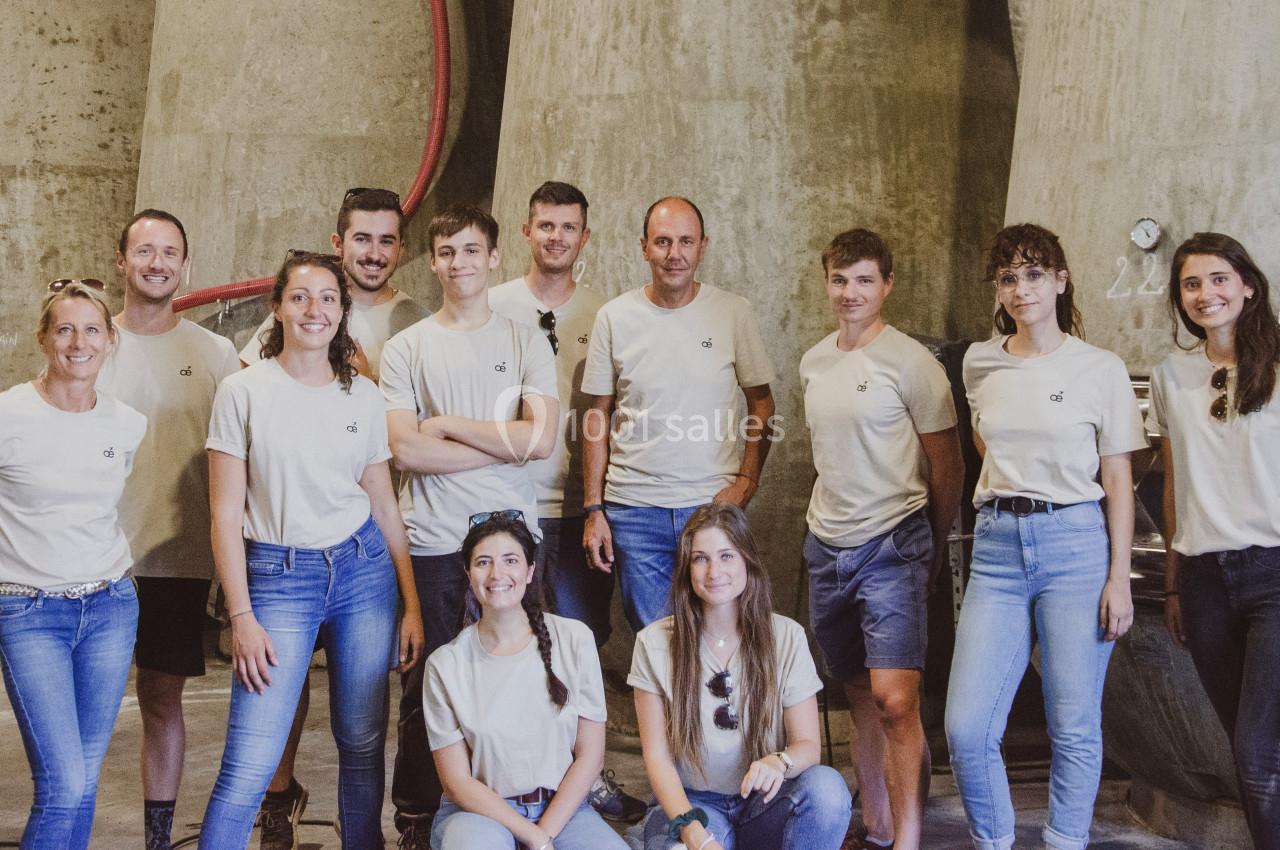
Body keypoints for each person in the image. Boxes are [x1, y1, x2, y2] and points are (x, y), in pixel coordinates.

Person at [198, 252, 424, 849]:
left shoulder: (363, 399)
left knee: (361, 740)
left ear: (342, 311)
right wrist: (241, 615)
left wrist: (412, 603)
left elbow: (382, 502)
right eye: (300, 297)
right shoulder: (243, 392)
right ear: (277, 306)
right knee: (251, 754)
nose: (314, 309)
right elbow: (223, 514)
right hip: (277, 576)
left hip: (362, 573)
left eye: (328, 297)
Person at [945, 223, 1146, 850]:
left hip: (1076, 546)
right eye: (1008, 276)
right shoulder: (980, 363)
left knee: (1073, 726)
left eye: (1034, 273)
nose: (1021, 288)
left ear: (1060, 280)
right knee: (967, 727)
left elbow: (1118, 477)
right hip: (999, 547)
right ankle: (994, 842)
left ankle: (1065, 843)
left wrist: (1120, 576)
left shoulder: (1099, 368)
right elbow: (988, 444)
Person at [380, 203, 559, 848]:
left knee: (523, 671)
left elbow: (542, 439)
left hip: (509, 541)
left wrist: (450, 423)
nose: (460, 263)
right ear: (433, 261)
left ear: (493, 258)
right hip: (433, 541)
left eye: (472, 250)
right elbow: (404, 451)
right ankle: (417, 816)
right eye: (448, 251)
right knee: (427, 682)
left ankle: (516, 804)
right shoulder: (408, 346)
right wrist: (503, 441)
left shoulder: (524, 338)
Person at [799, 229, 963, 850]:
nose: (850, 292)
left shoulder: (914, 364)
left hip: (893, 544)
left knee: (897, 701)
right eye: (840, 280)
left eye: (864, 279)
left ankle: (907, 842)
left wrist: (928, 541)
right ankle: (875, 826)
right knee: (858, 695)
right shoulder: (814, 361)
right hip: (826, 544)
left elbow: (947, 467)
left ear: (886, 285)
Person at [488, 181, 645, 824]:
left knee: (578, 644)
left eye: (569, 227)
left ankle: (586, 777)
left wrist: (599, 503)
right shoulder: (491, 305)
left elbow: (610, 415)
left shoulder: (605, 314)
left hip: (576, 507)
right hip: (504, 506)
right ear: (526, 232)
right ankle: (509, 780)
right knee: (507, 644)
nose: (556, 237)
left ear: (586, 237)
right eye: (545, 225)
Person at [96, 209, 240, 850]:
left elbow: (242, 463)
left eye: (169, 253)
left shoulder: (215, 353)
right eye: (144, 251)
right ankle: (64, 824)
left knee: (160, 700)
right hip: (92, 561)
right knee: (84, 711)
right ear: (122, 262)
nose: (157, 263)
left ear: (186, 267)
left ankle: (158, 837)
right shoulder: (90, 342)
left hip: (175, 562)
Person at [581, 196, 776, 633]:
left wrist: (747, 480)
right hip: (634, 511)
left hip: (712, 506)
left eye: (685, 241)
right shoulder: (615, 317)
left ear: (703, 246)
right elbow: (597, 417)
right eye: (663, 241)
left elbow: (762, 403)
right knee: (655, 641)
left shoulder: (732, 313)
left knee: (719, 635)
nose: (675, 254)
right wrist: (594, 508)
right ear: (644, 247)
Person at [0, 280, 147, 850]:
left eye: (91, 330)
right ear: (43, 338)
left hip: (110, 609)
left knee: (83, 782)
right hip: (29, 611)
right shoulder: (9, 415)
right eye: (64, 328)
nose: (78, 342)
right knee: (62, 783)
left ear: (110, 341)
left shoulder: (126, 423)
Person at [1151, 232, 1280, 850]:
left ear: (1248, 286)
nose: (1206, 294)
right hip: (1203, 581)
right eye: (1192, 284)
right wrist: (1174, 583)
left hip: (1276, 574)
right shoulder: (1172, 376)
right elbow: (1175, 481)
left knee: (1258, 756)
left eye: (1219, 279)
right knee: (1250, 748)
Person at [630, 503, 851, 850]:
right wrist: (696, 835)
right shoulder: (653, 643)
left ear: (747, 560)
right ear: (687, 568)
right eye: (700, 558)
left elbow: (808, 745)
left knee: (827, 790)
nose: (714, 571)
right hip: (695, 806)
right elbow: (656, 756)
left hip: (765, 803)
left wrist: (780, 762)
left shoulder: (786, 636)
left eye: (726, 556)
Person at [424, 513, 629, 850]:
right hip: (481, 815)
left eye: (510, 560)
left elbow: (590, 757)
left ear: (530, 570)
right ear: (468, 573)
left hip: (563, 810)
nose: (496, 574)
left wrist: (544, 834)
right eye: (483, 562)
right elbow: (457, 782)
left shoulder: (574, 639)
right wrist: (532, 835)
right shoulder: (446, 665)